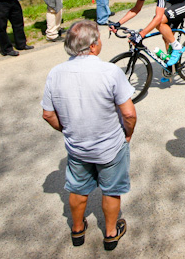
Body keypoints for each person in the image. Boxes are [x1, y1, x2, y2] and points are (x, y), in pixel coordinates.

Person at [42, 20, 136, 250]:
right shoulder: (110, 71)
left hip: (77, 147)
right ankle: (111, 233)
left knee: (77, 188)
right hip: (110, 147)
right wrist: (127, 134)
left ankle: (77, 229)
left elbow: (47, 114)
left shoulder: (55, 74)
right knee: (111, 190)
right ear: (93, 46)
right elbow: (129, 113)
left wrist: (66, 130)